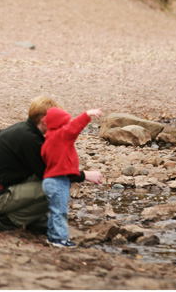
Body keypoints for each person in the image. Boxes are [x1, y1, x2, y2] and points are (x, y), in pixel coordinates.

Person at [0, 96, 103, 234]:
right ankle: (5, 222)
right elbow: (54, 174)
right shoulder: (29, 139)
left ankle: (34, 219)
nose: (62, 127)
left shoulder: (22, 130)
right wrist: (85, 175)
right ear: (45, 120)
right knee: (55, 188)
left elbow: (41, 170)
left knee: (45, 181)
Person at [40, 106, 103, 248]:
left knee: (54, 210)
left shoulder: (48, 140)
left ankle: (52, 236)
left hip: (49, 180)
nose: (68, 125)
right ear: (60, 124)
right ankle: (59, 239)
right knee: (60, 211)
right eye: (65, 122)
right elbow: (74, 128)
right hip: (58, 180)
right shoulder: (61, 135)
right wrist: (87, 115)